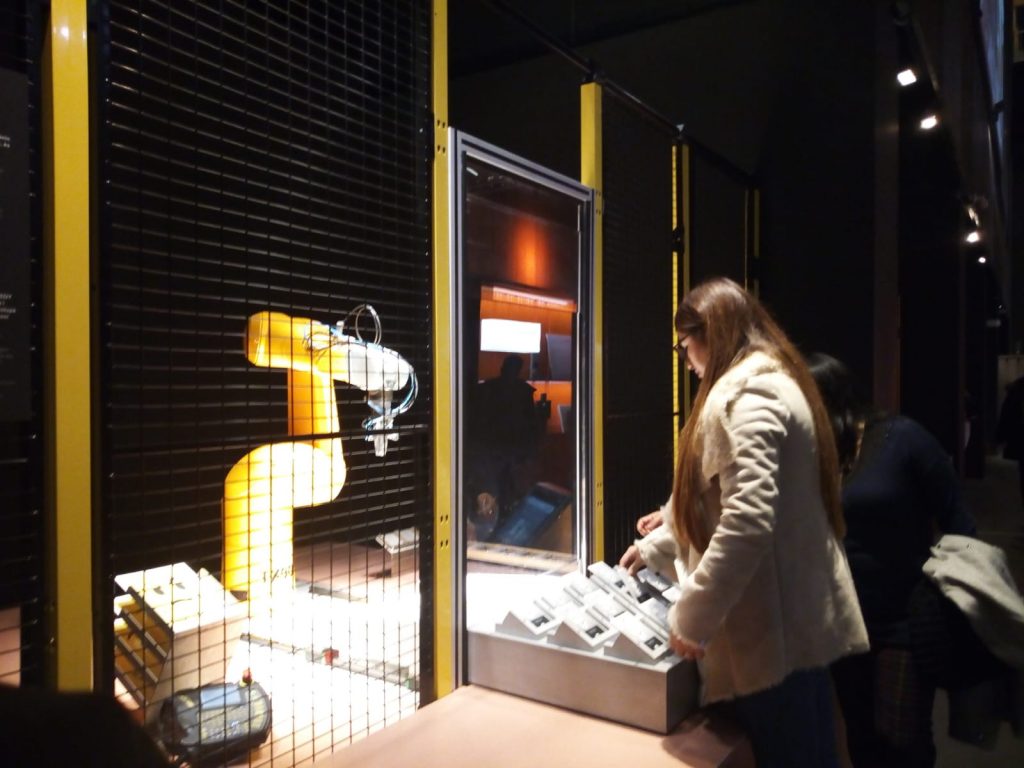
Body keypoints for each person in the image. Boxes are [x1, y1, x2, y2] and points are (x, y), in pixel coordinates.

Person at [619, 277, 868, 768]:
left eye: (685, 346)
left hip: (771, 639)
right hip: (792, 624)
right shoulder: (774, 382)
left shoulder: (746, 396)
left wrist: (692, 617)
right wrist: (660, 543)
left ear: (710, 333)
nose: (686, 362)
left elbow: (747, 522)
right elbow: (722, 501)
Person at [807, 353, 976, 768]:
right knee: (861, 738)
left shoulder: (902, 439)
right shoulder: (820, 454)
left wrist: (945, 598)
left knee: (903, 741)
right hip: (843, 620)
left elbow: (959, 522)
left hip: (904, 618)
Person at [464, 354, 541, 539]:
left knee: (504, 491)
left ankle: (502, 527)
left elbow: (528, 423)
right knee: (497, 491)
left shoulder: (490, 389)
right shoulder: (519, 391)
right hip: (495, 450)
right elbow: (530, 423)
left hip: (502, 451)